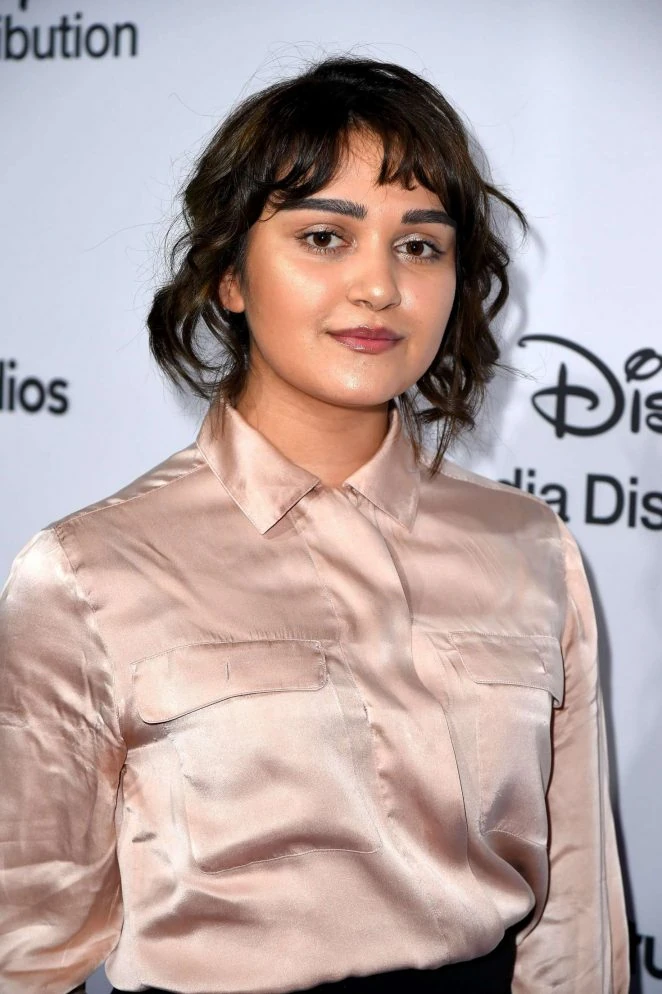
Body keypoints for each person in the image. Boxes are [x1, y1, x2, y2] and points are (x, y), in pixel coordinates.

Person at [0, 55, 629, 994]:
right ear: (229, 276)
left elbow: (574, 916)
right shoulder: (88, 572)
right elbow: (23, 947)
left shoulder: (529, 547)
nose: (379, 286)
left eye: (420, 246)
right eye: (325, 237)